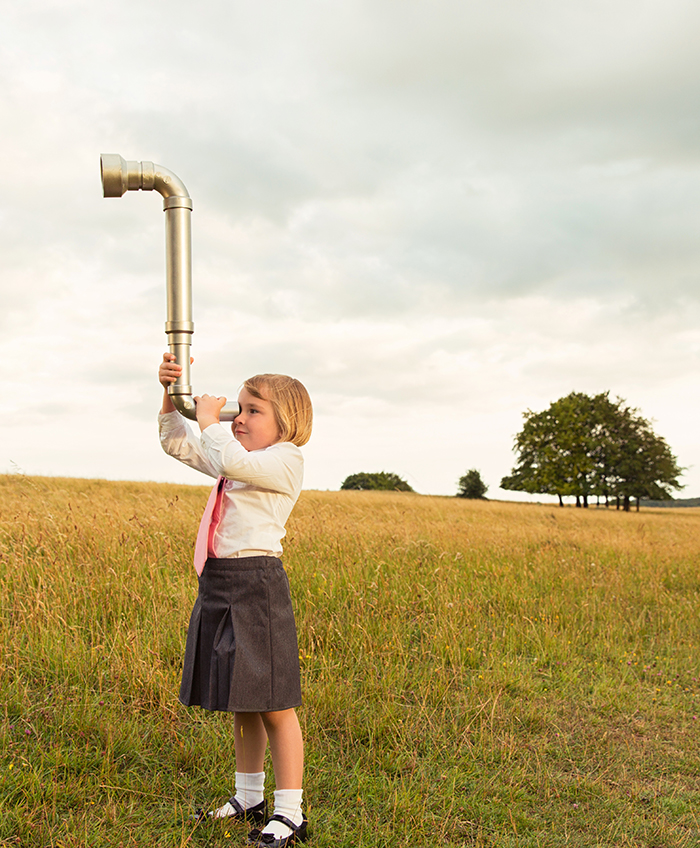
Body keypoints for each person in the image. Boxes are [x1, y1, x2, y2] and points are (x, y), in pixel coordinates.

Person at [158, 352, 313, 848]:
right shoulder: (235, 457)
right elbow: (177, 444)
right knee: (241, 699)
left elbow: (227, 455)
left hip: (257, 582)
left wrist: (211, 420)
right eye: (237, 409)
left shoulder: (285, 458)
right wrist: (172, 394)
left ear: (285, 421)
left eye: (252, 411)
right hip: (220, 581)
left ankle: (291, 812)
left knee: (274, 702)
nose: (238, 419)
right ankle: (249, 797)